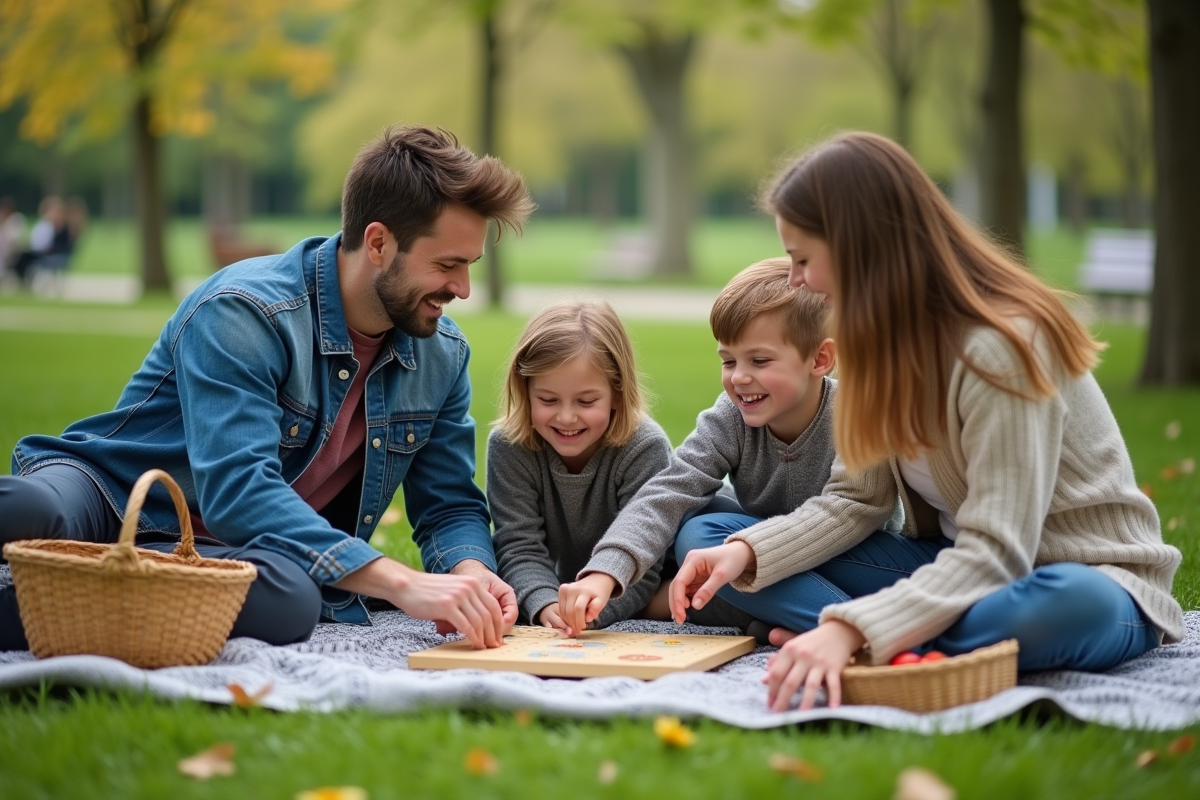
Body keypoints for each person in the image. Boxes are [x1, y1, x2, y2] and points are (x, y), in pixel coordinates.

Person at [668, 131, 1185, 713]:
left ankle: (860, 640)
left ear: (858, 246)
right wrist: (748, 554)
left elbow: (1000, 550)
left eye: (803, 259)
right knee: (709, 537)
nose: (796, 281)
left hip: (1078, 581)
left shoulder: (1003, 345)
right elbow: (853, 503)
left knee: (1068, 601)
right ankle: (885, 639)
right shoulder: (872, 347)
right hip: (952, 571)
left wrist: (852, 628)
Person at [1, 125, 535, 652]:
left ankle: (58, 603)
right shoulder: (246, 311)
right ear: (378, 242)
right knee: (31, 511)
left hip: (231, 559)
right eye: (449, 265)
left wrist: (473, 575)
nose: (463, 289)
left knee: (290, 600)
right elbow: (238, 490)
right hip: (111, 498)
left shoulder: (442, 353)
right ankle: (96, 591)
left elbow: (447, 505)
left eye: (470, 266)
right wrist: (401, 581)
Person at [558, 258, 860, 638]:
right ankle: (790, 622)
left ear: (819, 359)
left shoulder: (854, 412)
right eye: (728, 360)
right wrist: (605, 572)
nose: (739, 377)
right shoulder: (730, 416)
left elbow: (850, 513)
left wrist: (752, 553)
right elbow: (670, 490)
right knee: (697, 528)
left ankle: (851, 625)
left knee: (701, 545)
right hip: (761, 561)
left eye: (759, 360)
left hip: (848, 557)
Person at [488, 299, 672, 635]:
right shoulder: (509, 446)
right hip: (578, 591)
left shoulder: (645, 447)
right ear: (525, 390)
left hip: (667, 569)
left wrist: (590, 613)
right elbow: (519, 546)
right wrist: (545, 604)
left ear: (617, 393)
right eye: (548, 400)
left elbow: (642, 563)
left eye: (586, 401)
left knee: (704, 598)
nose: (567, 417)